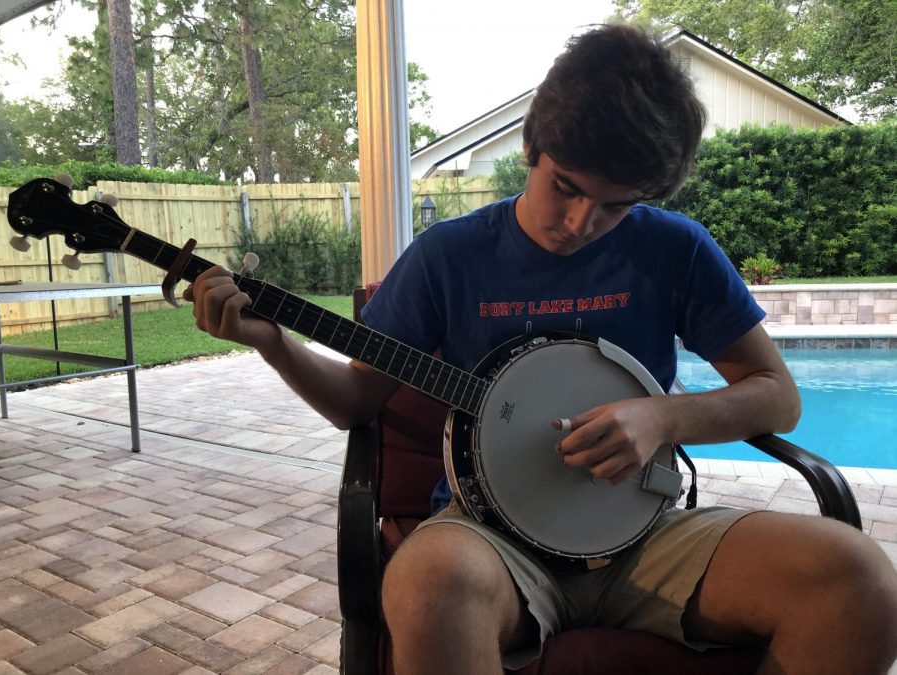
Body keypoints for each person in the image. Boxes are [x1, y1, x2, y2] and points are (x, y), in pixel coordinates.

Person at [186, 22, 897, 675]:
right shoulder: (447, 257)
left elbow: (778, 394)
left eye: (616, 204)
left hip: (647, 530)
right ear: (531, 143)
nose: (585, 221)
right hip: (489, 539)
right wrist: (273, 343)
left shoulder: (674, 249)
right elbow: (355, 402)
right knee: (431, 585)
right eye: (567, 187)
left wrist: (662, 420)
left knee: (859, 578)